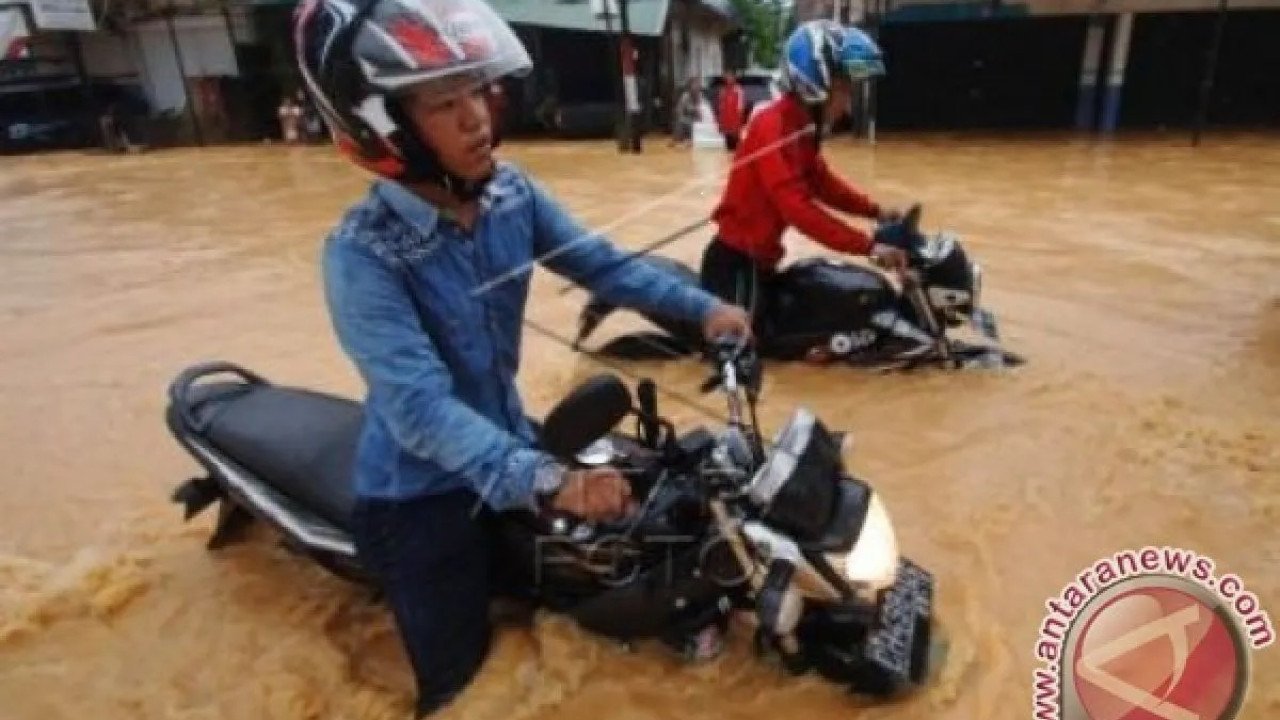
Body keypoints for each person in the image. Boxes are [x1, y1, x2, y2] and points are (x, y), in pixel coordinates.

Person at [293, 0, 751, 716]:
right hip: (421, 494)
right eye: (445, 104)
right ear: (383, 127)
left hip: (510, 444)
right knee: (465, 691)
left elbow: (602, 265)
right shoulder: (363, 255)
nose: (477, 117)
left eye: (476, 90)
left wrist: (704, 309)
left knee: (628, 549)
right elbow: (420, 409)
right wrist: (551, 481)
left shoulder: (511, 195)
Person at [702, 21, 906, 337]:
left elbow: (823, 183)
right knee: (744, 346)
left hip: (763, 262)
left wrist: (875, 211)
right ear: (815, 83)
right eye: (843, 88)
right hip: (737, 265)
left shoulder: (801, 128)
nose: (847, 101)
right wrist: (868, 247)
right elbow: (796, 208)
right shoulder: (773, 126)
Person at [716, 71, 744, 152]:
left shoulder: (738, 90)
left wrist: (738, 124)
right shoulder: (723, 91)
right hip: (726, 123)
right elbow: (720, 107)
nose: (729, 79)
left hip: (735, 123)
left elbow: (740, 107)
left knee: (736, 145)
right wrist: (720, 123)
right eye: (727, 77)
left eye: (730, 77)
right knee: (727, 146)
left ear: (734, 78)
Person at [670, 77, 702, 147]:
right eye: (694, 84)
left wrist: (699, 115)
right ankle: (678, 139)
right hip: (686, 117)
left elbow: (701, 109)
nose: (696, 86)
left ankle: (692, 140)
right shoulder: (685, 96)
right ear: (690, 85)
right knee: (681, 121)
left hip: (695, 118)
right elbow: (679, 110)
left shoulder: (700, 95)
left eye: (697, 84)